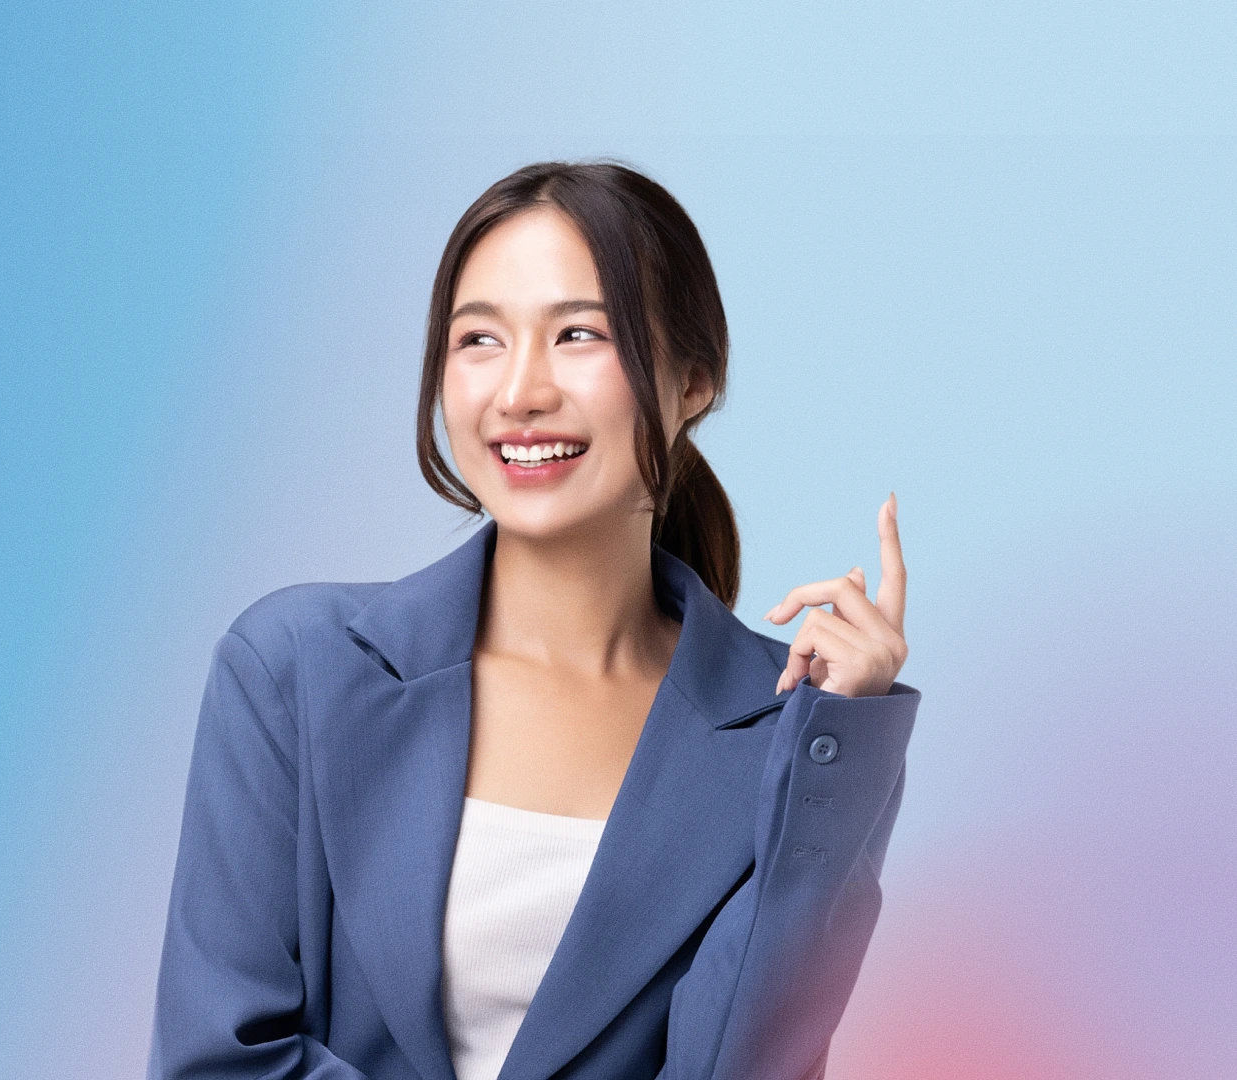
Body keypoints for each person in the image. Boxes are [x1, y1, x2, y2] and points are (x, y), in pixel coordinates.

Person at [147, 160, 919, 1080]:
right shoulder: (294, 671)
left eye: (579, 335)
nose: (520, 391)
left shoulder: (790, 725)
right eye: (479, 339)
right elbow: (218, 1060)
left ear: (692, 384)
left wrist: (838, 743)